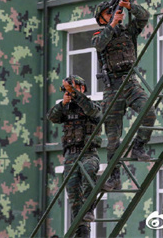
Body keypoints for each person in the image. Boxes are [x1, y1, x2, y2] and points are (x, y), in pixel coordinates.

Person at [92, 0, 156, 192]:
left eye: (111, 12)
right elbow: (99, 45)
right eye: (107, 14)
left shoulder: (128, 32)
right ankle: (114, 178)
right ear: (101, 19)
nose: (111, 15)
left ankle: (139, 146)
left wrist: (130, 7)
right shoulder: (99, 34)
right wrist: (112, 24)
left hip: (130, 83)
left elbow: (144, 17)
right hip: (112, 88)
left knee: (149, 112)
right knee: (113, 139)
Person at [47, 75, 102, 238]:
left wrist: (75, 95)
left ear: (82, 88)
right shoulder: (66, 108)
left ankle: (89, 209)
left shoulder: (92, 106)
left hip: (88, 152)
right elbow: (52, 117)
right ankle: (81, 230)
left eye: (73, 88)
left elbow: (93, 112)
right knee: (73, 194)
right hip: (71, 155)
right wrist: (63, 103)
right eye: (67, 90)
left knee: (89, 170)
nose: (70, 92)